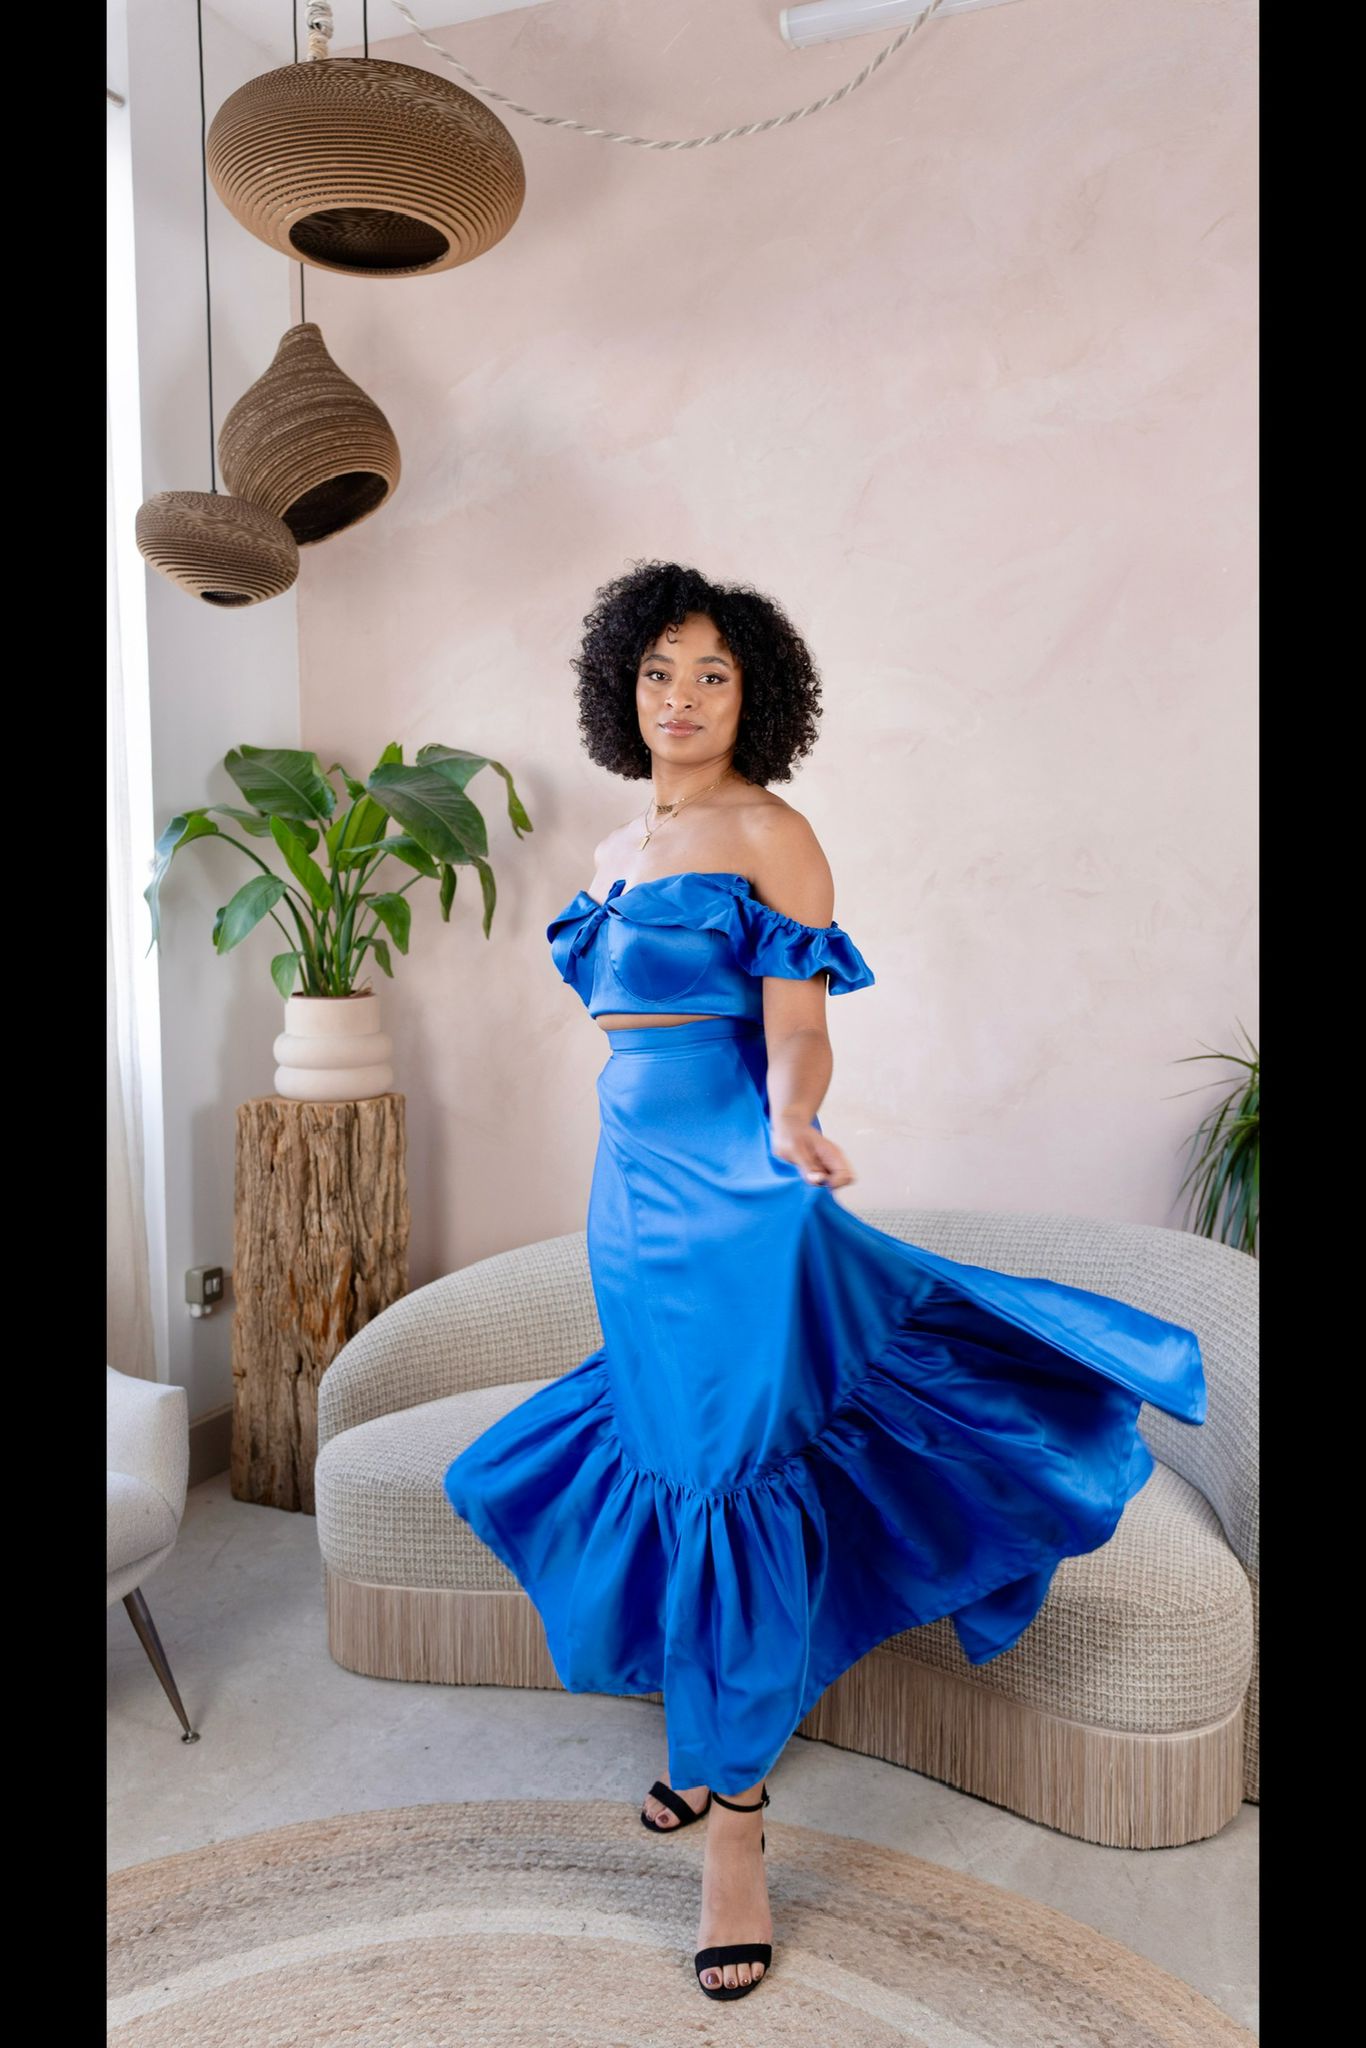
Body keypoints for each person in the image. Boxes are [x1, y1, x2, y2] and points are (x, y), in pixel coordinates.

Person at [445, 561, 1206, 2002]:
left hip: (740, 1204)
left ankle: (734, 1840)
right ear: (622, 686)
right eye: (658, 672)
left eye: (712, 675)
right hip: (628, 1213)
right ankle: (704, 1736)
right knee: (669, 1462)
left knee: (731, 1479)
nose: (681, 699)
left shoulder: (771, 836)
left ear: (758, 695)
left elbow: (797, 1028)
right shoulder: (612, 852)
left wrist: (794, 1116)